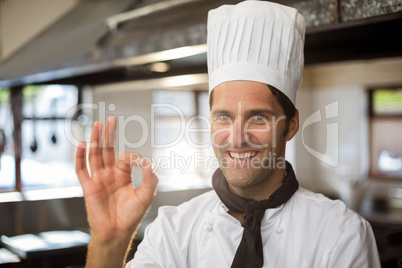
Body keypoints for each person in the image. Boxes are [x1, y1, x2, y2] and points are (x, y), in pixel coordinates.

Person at [75, 1, 381, 267]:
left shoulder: (340, 233)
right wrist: (109, 241)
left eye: (258, 117)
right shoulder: (172, 231)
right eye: (223, 116)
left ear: (290, 125)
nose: (236, 137)